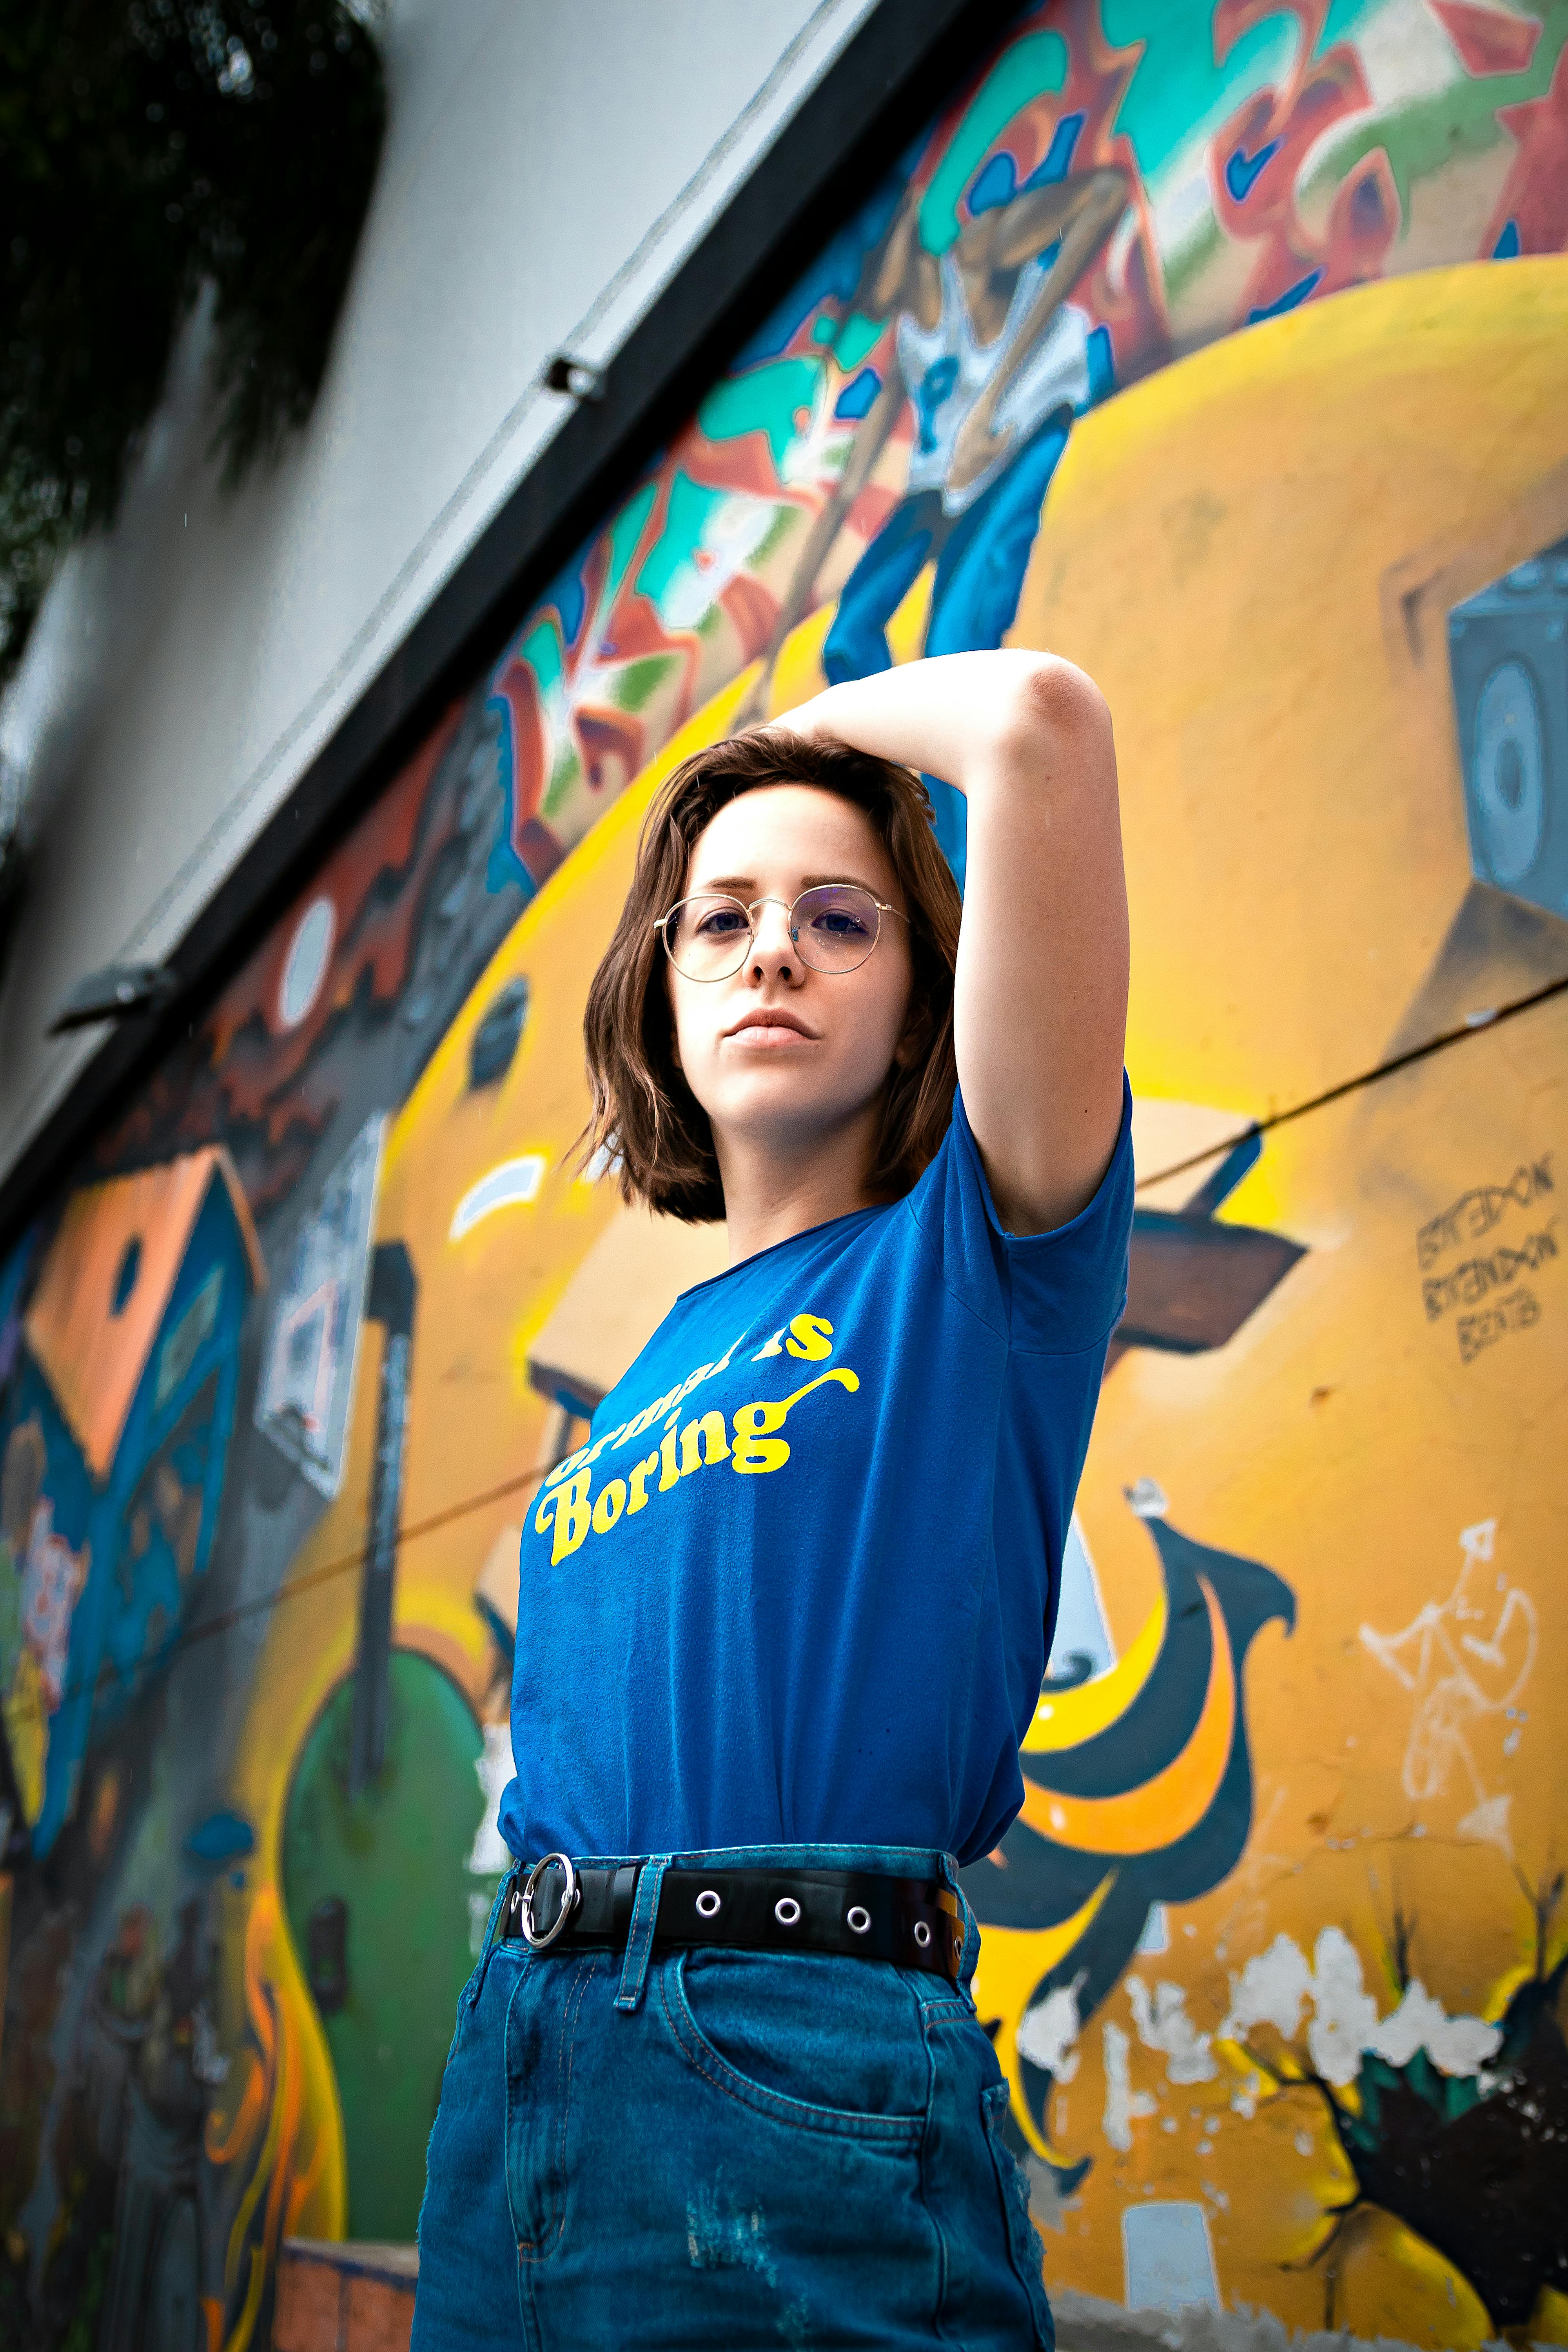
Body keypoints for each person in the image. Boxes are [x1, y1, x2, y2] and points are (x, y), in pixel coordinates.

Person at [412, 648, 1132, 2350]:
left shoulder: (980, 1248)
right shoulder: (639, 1366)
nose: (773, 952)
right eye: (719, 919)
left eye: (839, 917)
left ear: (917, 996)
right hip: (521, 2056)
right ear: (662, 988)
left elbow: (1037, 726)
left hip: (799, 2061)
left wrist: (758, 745)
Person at [733, 135, 1129, 884]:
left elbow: (1103, 196)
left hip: (1022, 436)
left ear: (908, 222)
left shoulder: (977, 259)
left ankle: (967, 858)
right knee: (849, 641)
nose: (868, 285)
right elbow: (844, 497)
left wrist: (994, 394)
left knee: (952, 641)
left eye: (872, 257)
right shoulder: (906, 352)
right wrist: (769, 663)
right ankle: (919, 808)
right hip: (953, 480)